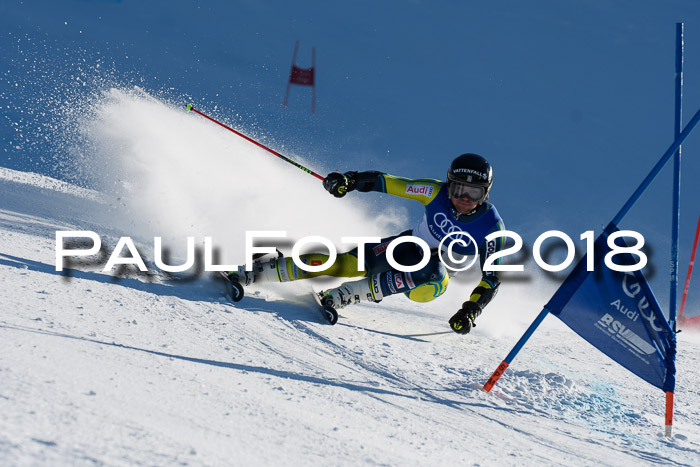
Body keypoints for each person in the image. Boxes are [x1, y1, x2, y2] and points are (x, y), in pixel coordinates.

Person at [230, 153, 506, 335]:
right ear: (449, 185)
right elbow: (389, 183)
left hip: (430, 283)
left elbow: (492, 278)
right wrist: (349, 180)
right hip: (406, 249)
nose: (464, 198)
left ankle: (346, 294)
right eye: (459, 189)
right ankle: (260, 271)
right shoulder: (435, 192)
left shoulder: (492, 228)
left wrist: (470, 310)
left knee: (432, 269)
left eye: (474, 192)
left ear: (486, 194)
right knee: (345, 262)